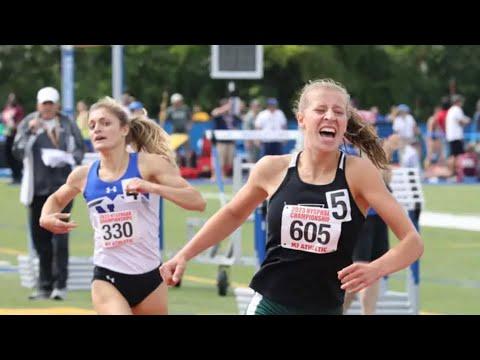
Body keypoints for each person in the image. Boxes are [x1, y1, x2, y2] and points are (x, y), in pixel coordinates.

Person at [160, 78, 424, 315]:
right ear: (301, 119)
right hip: (271, 303)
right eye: (320, 110)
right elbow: (232, 214)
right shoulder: (272, 169)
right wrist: (184, 254)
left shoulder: (359, 173)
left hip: (326, 306)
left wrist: (376, 269)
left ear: (345, 123)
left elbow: (413, 242)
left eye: (339, 112)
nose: (330, 116)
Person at [39, 97, 206, 315]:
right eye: (92, 125)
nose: (97, 129)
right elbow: (56, 199)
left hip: (150, 277)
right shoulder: (83, 175)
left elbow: (197, 202)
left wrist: (152, 187)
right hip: (108, 275)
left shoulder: (149, 165)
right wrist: (45, 217)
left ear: (124, 129)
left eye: (105, 123)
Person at [12, 86, 85, 300]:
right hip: (37, 189)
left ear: (57, 105)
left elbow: (80, 148)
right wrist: (31, 133)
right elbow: (17, 151)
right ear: (38, 105)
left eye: (51, 104)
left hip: (63, 188)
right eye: (44, 104)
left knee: (60, 238)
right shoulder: (28, 123)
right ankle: (44, 285)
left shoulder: (67, 123)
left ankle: (60, 285)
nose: (47, 108)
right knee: (40, 239)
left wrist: (69, 157)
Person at [342, 134, 402, 315]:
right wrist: (388, 148)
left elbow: (385, 182)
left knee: (373, 273)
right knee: (358, 277)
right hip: (363, 222)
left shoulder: (381, 167)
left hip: (378, 222)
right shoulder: (355, 161)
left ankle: (368, 313)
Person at [2, 92, 25, 184]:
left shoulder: (18, 109)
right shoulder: (6, 109)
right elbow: (3, 121)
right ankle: (14, 176)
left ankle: (18, 177)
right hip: (7, 135)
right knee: (8, 156)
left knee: (15, 156)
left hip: (16, 136)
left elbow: (20, 122)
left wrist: (14, 126)